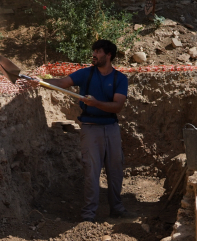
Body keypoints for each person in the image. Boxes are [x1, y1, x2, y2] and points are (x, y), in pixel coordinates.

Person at [41, 39, 134, 222]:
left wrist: (96, 103)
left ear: (108, 55)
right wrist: (41, 82)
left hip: (111, 128)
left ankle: (117, 208)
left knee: (115, 170)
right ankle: (88, 214)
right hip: (90, 129)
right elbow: (62, 82)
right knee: (91, 170)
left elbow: (117, 106)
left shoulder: (119, 79)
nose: (94, 55)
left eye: (98, 52)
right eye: (94, 51)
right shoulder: (86, 74)